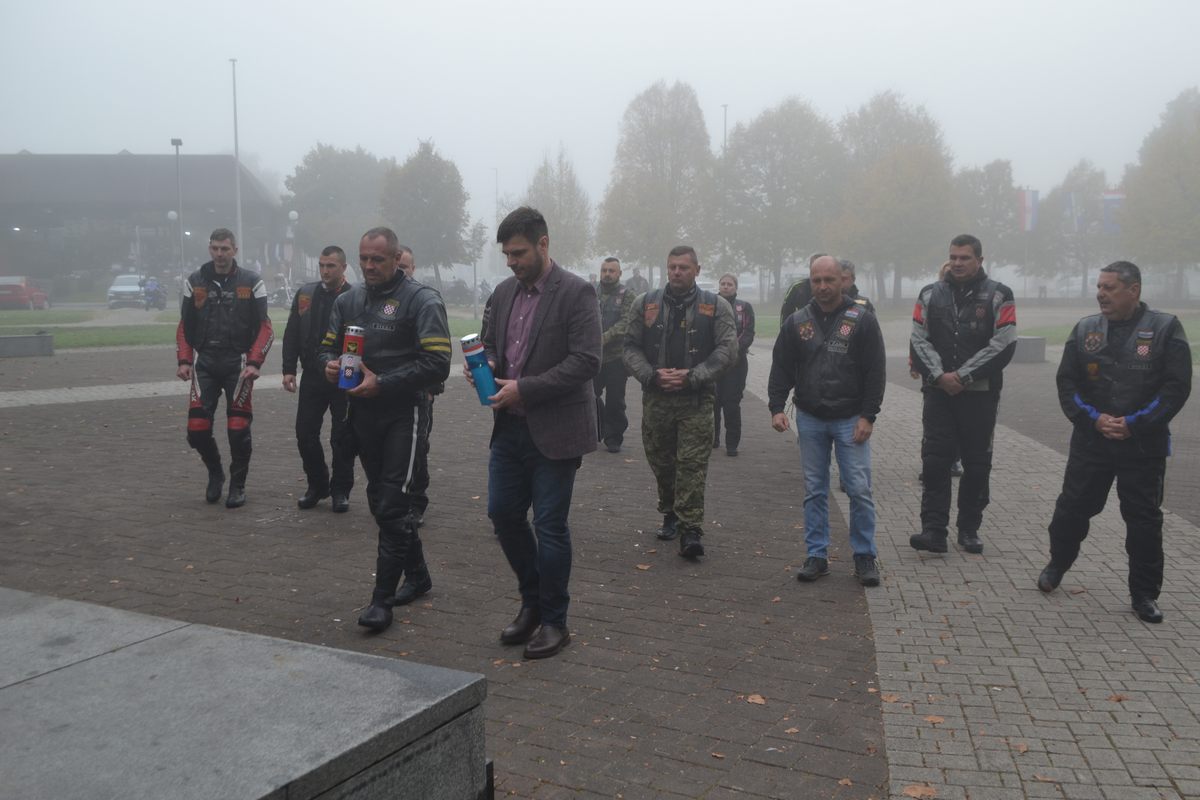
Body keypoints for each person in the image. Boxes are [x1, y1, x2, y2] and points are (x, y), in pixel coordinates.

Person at [474, 206, 600, 660]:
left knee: (549, 526)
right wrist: (486, 365)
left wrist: (524, 388)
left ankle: (554, 621)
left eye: (519, 253)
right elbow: (491, 343)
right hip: (509, 427)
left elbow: (586, 360)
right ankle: (531, 602)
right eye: (507, 255)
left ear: (543, 244)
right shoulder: (503, 292)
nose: (511, 262)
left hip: (556, 431)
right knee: (503, 515)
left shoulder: (577, 293)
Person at [1038, 262, 1191, 623]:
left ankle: (1144, 595)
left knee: (1143, 522)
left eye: (1109, 287)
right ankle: (1058, 563)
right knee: (1071, 510)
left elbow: (1176, 387)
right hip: (1092, 442)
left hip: (1143, 446)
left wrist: (1135, 424)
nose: (1101, 294)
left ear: (1133, 290)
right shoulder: (1085, 328)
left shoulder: (1165, 328)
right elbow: (1067, 383)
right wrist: (1093, 419)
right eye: (1099, 287)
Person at [319, 227, 451, 632]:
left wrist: (385, 382)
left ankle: (381, 601)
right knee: (380, 501)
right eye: (364, 258)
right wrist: (329, 364)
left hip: (404, 413)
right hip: (361, 413)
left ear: (397, 259)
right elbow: (327, 347)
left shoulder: (422, 299)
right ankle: (419, 575)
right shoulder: (348, 300)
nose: (369, 266)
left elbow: (438, 364)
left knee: (394, 503)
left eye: (378, 259)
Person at [769, 256, 886, 586]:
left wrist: (868, 416)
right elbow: (781, 366)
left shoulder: (862, 320)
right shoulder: (797, 322)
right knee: (814, 490)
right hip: (810, 418)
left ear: (842, 281)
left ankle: (864, 556)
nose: (822, 287)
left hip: (851, 419)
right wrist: (776, 407)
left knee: (859, 490)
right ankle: (816, 555)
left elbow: (875, 371)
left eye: (829, 280)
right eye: (816, 280)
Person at [624, 246, 737, 558]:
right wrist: (650, 375)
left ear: (697, 270)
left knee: (691, 463)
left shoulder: (716, 306)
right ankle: (670, 511)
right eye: (672, 266)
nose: (677, 272)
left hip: (696, 399)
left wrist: (693, 376)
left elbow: (728, 350)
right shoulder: (644, 303)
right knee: (661, 460)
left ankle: (691, 528)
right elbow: (629, 346)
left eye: (684, 267)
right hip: (657, 397)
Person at [909, 234, 1016, 555]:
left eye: (964, 258)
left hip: (980, 396)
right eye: (953, 257)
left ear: (979, 260)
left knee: (977, 464)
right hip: (938, 394)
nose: (957, 263)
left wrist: (964, 376)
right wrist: (940, 376)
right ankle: (933, 531)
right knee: (935, 461)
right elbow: (918, 338)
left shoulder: (1000, 294)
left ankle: (969, 529)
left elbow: (1004, 343)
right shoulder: (929, 294)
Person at [175, 228, 273, 509]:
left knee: (238, 428)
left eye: (225, 249)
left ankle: (237, 485)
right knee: (196, 428)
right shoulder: (194, 281)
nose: (219, 254)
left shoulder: (251, 281)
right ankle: (215, 472)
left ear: (235, 251)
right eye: (215, 248)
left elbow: (265, 327)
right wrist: (184, 360)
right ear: (210, 249)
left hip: (238, 363)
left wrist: (254, 362)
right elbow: (184, 325)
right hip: (205, 361)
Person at [281, 246, 355, 512]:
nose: (325, 270)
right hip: (312, 374)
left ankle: (341, 490)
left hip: (344, 376)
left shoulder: (355, 297)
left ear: (343, 268)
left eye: (331, 266)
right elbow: (292, 331)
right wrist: (288, 368)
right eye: (322, 265)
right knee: (305, 434)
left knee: (342, 437)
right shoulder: (306, 294)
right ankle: (317, 484)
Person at [392, 243, 439, 606]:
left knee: (418, 449)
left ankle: (416, 502)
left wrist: (432, 388)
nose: (402, 271)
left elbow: (434, 353)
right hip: (383, 398)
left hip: (417, 393)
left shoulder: (424, 299)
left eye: (406, 266)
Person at [595, 257, 635, 453]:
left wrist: (604, 337)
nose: (607, 274)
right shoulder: (591, 292)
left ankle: (613, 437)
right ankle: (599, 426)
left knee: (615, 401)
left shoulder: (627, 295)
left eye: (611, 271)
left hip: (616, 358)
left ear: (619, 273)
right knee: (588, 396)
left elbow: (627, 322)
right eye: (604, 270)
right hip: (593, 357)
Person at [713, 273, 755, 456]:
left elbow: (748, 332)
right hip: (713, 363)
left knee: (731, 404)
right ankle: (712, 439)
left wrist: (732, 351)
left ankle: (732, 444)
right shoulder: (709, 305)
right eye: (723, 283)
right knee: (712, 403)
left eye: (729, 284)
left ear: (735, 287)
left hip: (736, 363)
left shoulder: (744, 307)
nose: (726, 286)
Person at [778, 253, 827, 325]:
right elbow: (786, 313)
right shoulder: (797, 287)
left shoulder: (837, 287)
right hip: (803, 329)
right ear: (810, 268)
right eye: (815, 267)